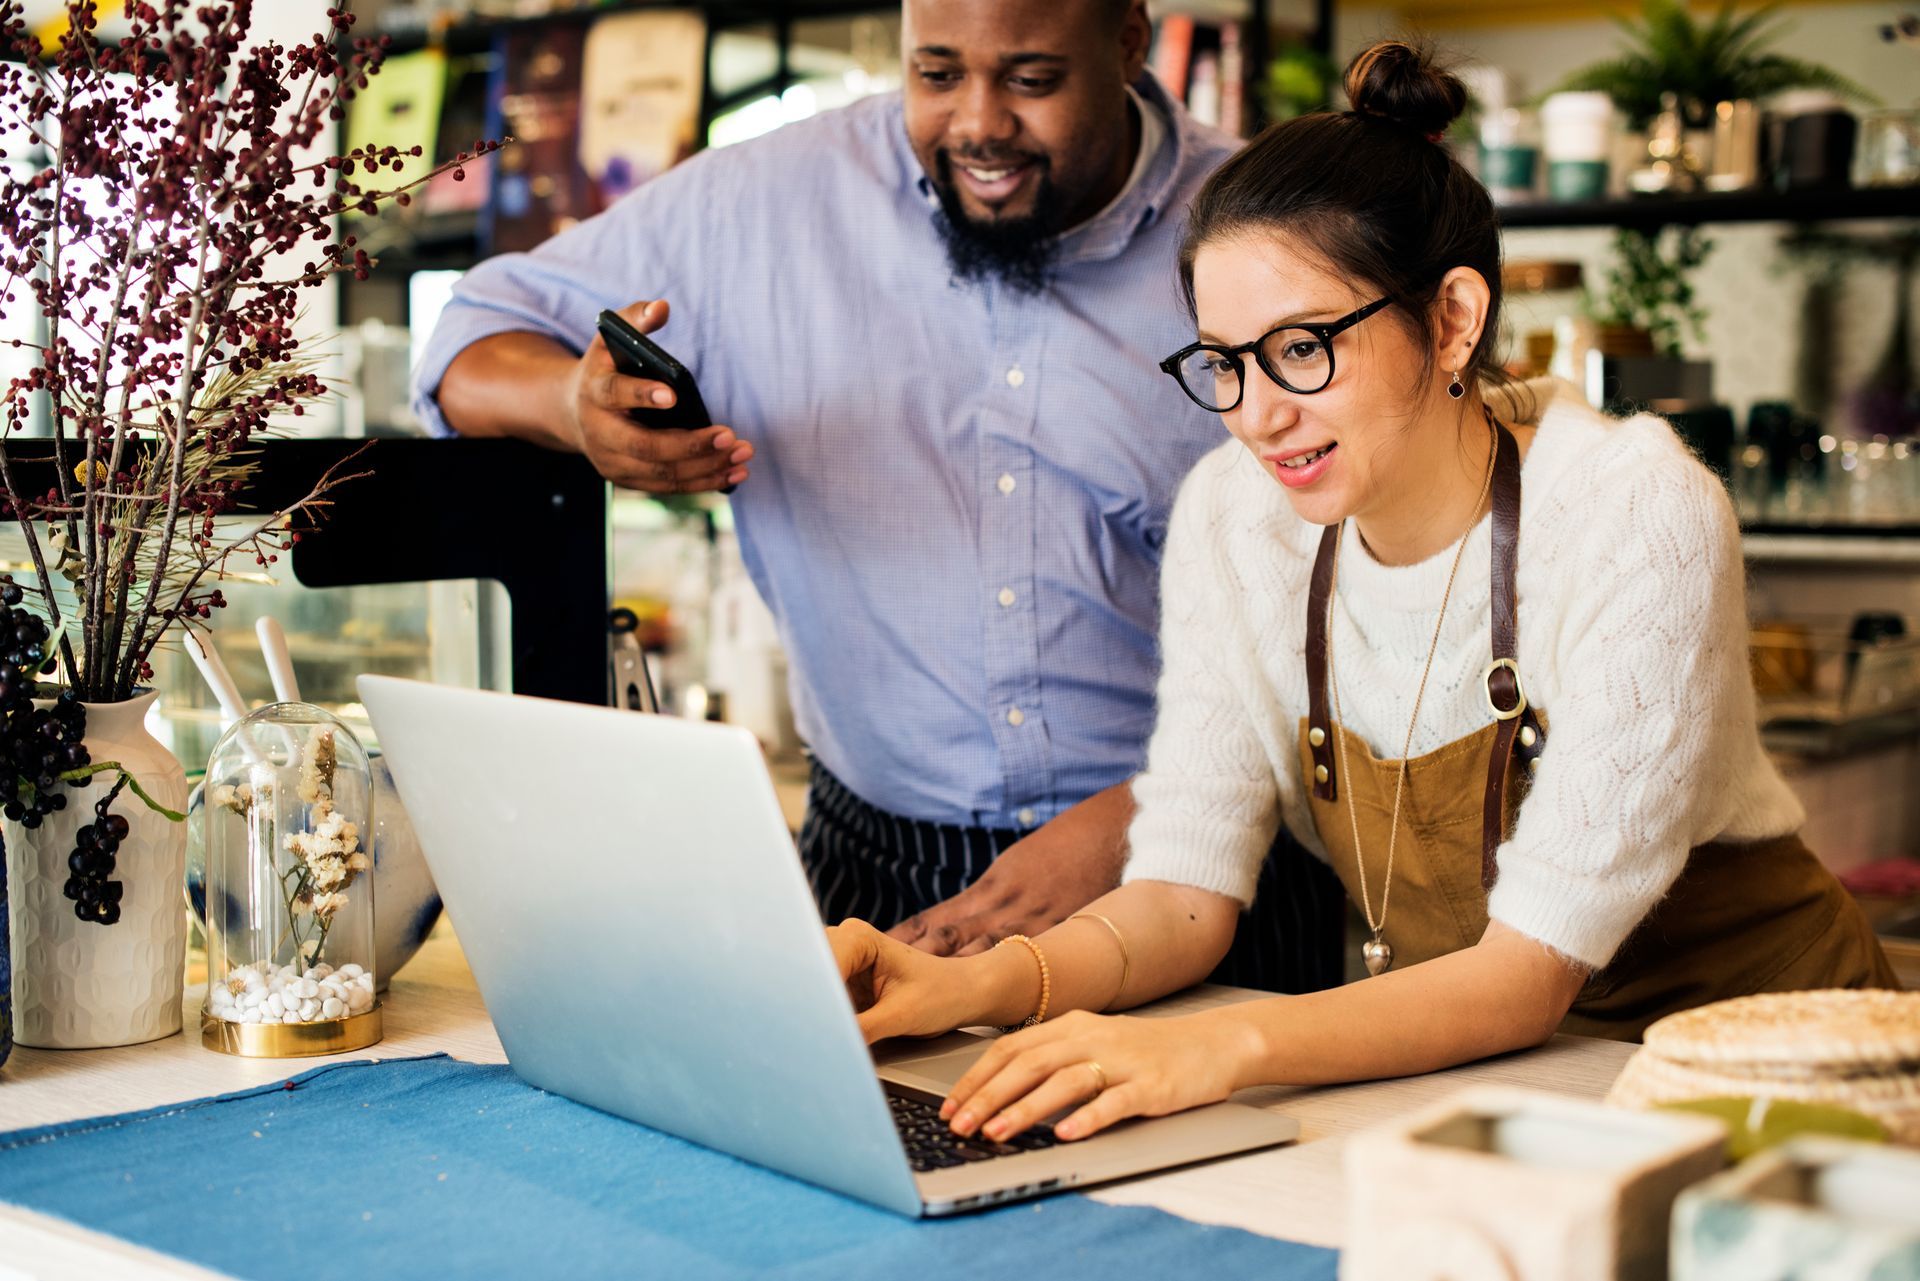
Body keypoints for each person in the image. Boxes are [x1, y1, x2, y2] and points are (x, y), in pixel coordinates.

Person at [828, 41, 1899, 1148]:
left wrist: (1217, 1048)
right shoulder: (1234, 519)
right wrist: (976, 986)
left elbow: (1523, 975)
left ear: (1452, 320)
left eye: (1301, 349)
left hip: (1786, 1084)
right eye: (1224, 362)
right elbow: (1186, 896)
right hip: (1512, 1094)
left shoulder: (1635, 513)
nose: (1255, 414)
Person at [411, 0, 1346, 990]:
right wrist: (573, 403)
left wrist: (1158, 814)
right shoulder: (761, 205)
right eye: (936, 75)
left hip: (1214, 859)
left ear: (1128, 43)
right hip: (886, 878)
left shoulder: (1269, 233)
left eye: (1031, 80)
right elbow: (469, 339)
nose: (980, 123)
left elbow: (1391, 596)